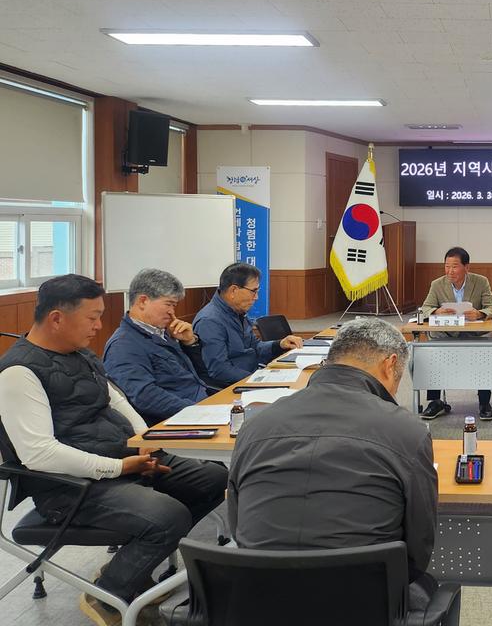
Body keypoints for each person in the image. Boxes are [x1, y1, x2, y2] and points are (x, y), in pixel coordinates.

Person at [0, 275, 228, 626]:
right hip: (69, 487)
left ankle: (130, 568)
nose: (98, 326)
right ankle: (109, 594)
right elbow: (39, 454)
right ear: (57, 318)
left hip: (121, 459)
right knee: (169, 516)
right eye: (92, 317)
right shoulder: (18, 372)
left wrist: (144, 443)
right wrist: (121, 468)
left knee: (212, 478)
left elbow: (115, 399)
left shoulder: (79, 353)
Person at [227, 317, 438, 608]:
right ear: (390, 365)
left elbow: (238, 523)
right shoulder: (407, 431)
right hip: (362, 601)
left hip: (256, 599)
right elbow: (418, 545)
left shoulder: (255, 426)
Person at [103, 268, 217, 425]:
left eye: (174, 306)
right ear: (143, 301)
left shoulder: (162, 333)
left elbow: (201, 376)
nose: (172, 312)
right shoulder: (123, 345)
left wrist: (190, 343)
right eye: (168, 304)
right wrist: (195, 411)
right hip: (178, 420)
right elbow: (145, 396)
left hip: (203, 405)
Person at [418, 246, 492, 421]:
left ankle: (484, 402)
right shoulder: (437, 284)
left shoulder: (481, 281)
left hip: (474, 335)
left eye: (454, 266)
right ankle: (435, 401)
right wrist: (436, 311)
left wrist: (479, 313)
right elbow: (425, 308)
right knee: (433, 354)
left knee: (484, 355)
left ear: (466, 267)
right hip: (446, 335)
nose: (450, 271)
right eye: (447, 266)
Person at [192, 263, 302, 386]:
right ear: (233, 290)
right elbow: (220, 370)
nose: (256, 297)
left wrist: (279, 344)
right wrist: (258, 379)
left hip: (253, 375)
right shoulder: (210, 321)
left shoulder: (237, 312)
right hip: (234, 386)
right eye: (253, 291)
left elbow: (255, 346)